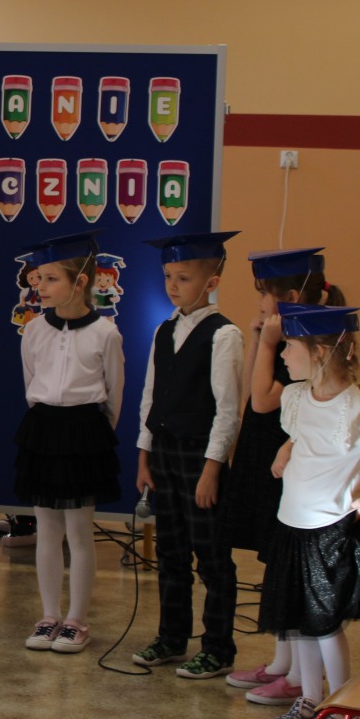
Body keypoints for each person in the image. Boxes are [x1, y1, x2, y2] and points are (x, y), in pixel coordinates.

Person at [256, 302, 360, 719]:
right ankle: (310, 699)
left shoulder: (356, 411)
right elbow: (302, 433)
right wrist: (286, 449)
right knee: (299, 621)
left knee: (324, 624)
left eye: (289, 346)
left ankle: (342, 707)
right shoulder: (297, 396)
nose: (283, 354)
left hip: (328, 530)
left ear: (318, 352)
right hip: (292, 525)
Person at [224, 248, 343, 707]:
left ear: (290, 297)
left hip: (288, 463)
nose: (259, 304)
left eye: (264, 295)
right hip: (263, 453)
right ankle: (281, 663)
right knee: (275, 563)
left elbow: (262, 400)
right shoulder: (279, 337)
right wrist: (259, 337)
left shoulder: (303, 344)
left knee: (286, 564)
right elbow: (248, 393)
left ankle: (296, 675)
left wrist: (270, 342)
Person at [131, 231, 243, 678]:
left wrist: (212, 469)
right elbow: (150, 396)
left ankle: (218, 647)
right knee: (171, 551)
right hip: (164, 453)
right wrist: (144, 456)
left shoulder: (224, 335)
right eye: (168, 276)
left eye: (183, 277)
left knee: (211, 556)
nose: (173, 286)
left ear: (211, 282)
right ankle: (172, 637)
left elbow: (228, 410)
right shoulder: (164, 330)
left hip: (200, 457)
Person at [14, 231, 124, 654]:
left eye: (50, 279)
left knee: (78, 531)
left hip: (84, 433)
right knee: (46, 528)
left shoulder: (105, 334)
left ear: (79, 282)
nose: (39, 287)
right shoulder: (34, 330)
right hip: (44, 428)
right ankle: (48, 616)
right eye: (38, 279)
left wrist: (93, 433)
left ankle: (76, 620)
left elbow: (113, 393)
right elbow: (31, 380)